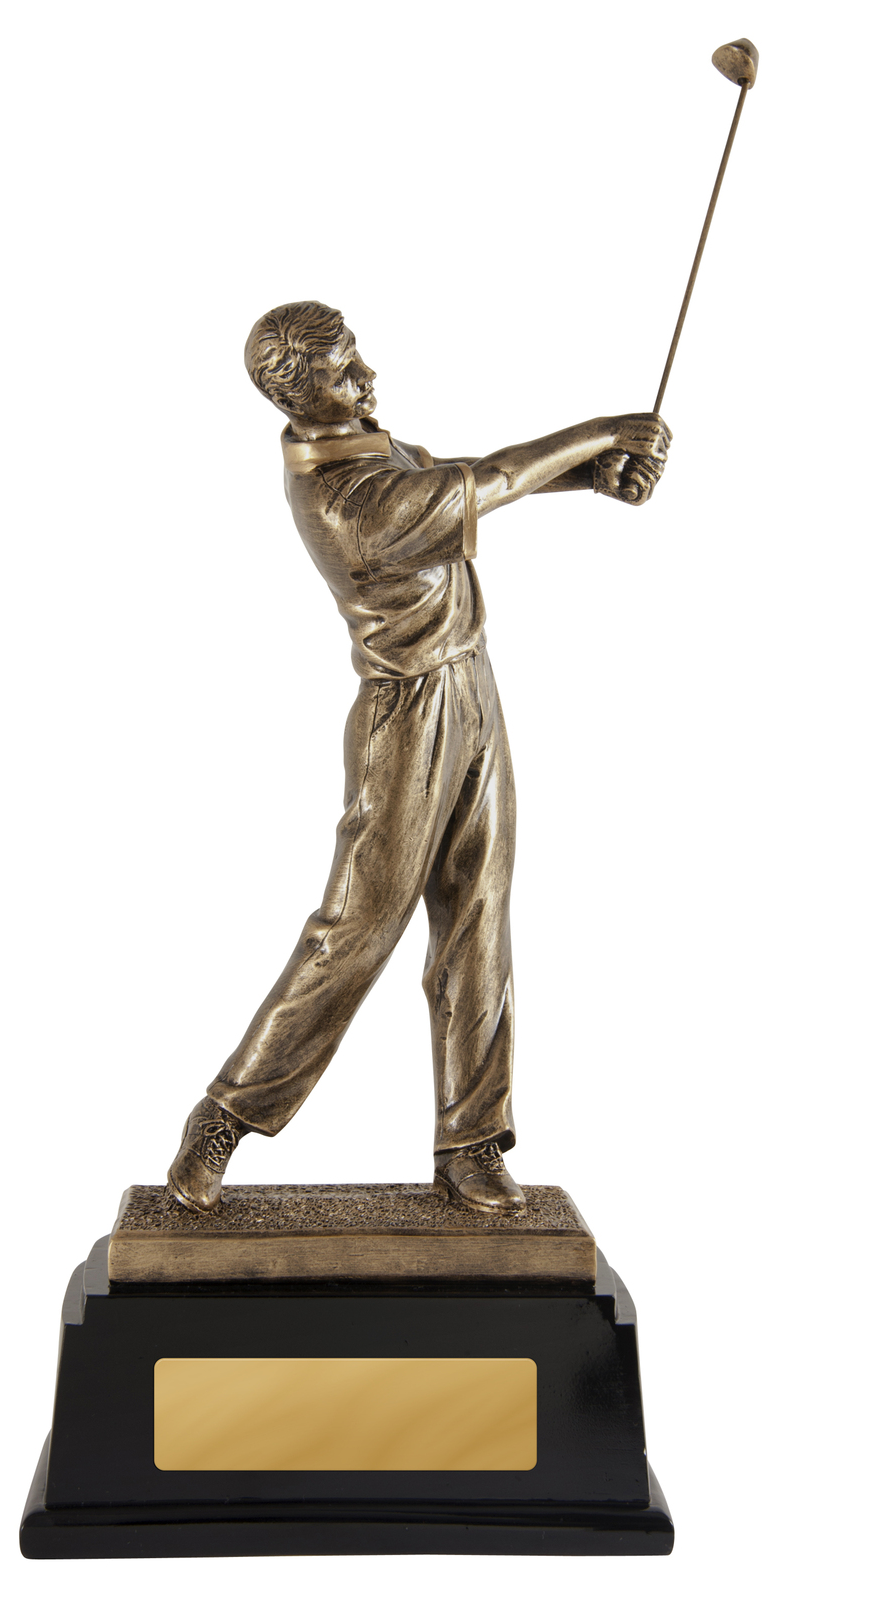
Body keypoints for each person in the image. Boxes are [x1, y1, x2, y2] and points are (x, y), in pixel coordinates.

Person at [167, 301, 671, 1216]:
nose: (366, 377)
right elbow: (490, 478)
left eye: (356, 356)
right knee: (354, 931)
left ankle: (471, 1141)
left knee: (480, 908)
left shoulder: (371, 446)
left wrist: (594, 477)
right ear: (297, 398)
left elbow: (467, 477)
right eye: (341, 373)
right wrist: (602, 431)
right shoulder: (345, 500)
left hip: (471, 686)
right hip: (405, 718)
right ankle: (224, 1114)